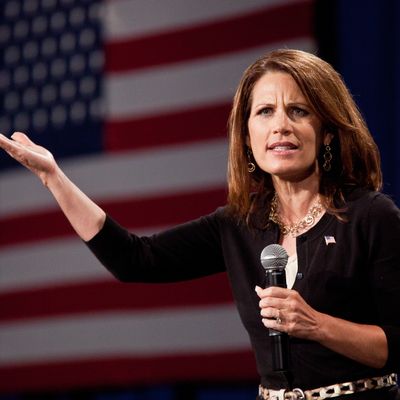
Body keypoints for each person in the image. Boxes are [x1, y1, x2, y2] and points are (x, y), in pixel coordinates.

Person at [0, 49, 399, 400]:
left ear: (326, 132)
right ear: (247, 137)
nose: (281, 126)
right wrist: (54, 177)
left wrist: (317, 325)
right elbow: (135, 259)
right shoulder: (239, 225)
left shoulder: (371, 217)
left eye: (299, 111)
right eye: (265, 112)